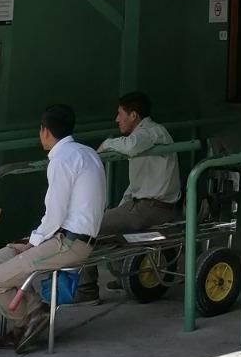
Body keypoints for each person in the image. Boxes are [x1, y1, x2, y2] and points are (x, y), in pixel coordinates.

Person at [0, 103, 105, 353]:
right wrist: (35, 241)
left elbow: (54, 214)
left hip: (70, 243)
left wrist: (32, 243)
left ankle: (32, 315)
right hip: (68, 237)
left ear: (45, 131)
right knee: (1, 257)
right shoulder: (87, 152)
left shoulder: (61, 160)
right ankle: (29, 319)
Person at [75, 90, 181, 302]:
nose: (117, 119)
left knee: (84, 228)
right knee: (107, 223)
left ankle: (87, 290)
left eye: (120, 114)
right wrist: (121, 208)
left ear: (133, 115)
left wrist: (107, 143)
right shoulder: (143, 136)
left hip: (152, 209)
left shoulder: (152, 132)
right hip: (145, 206)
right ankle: (127, 276)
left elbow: (131, 146)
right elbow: (136, 185)